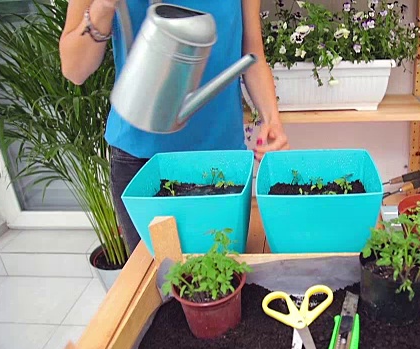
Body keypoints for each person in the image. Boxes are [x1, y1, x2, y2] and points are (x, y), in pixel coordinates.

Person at [59, 0, 288, 254]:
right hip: (141, 163)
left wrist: (271, 119)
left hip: (221, 161)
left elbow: (252, 52)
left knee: (223, 279)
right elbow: (74, 69)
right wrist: (103, 6)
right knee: (156, 281)